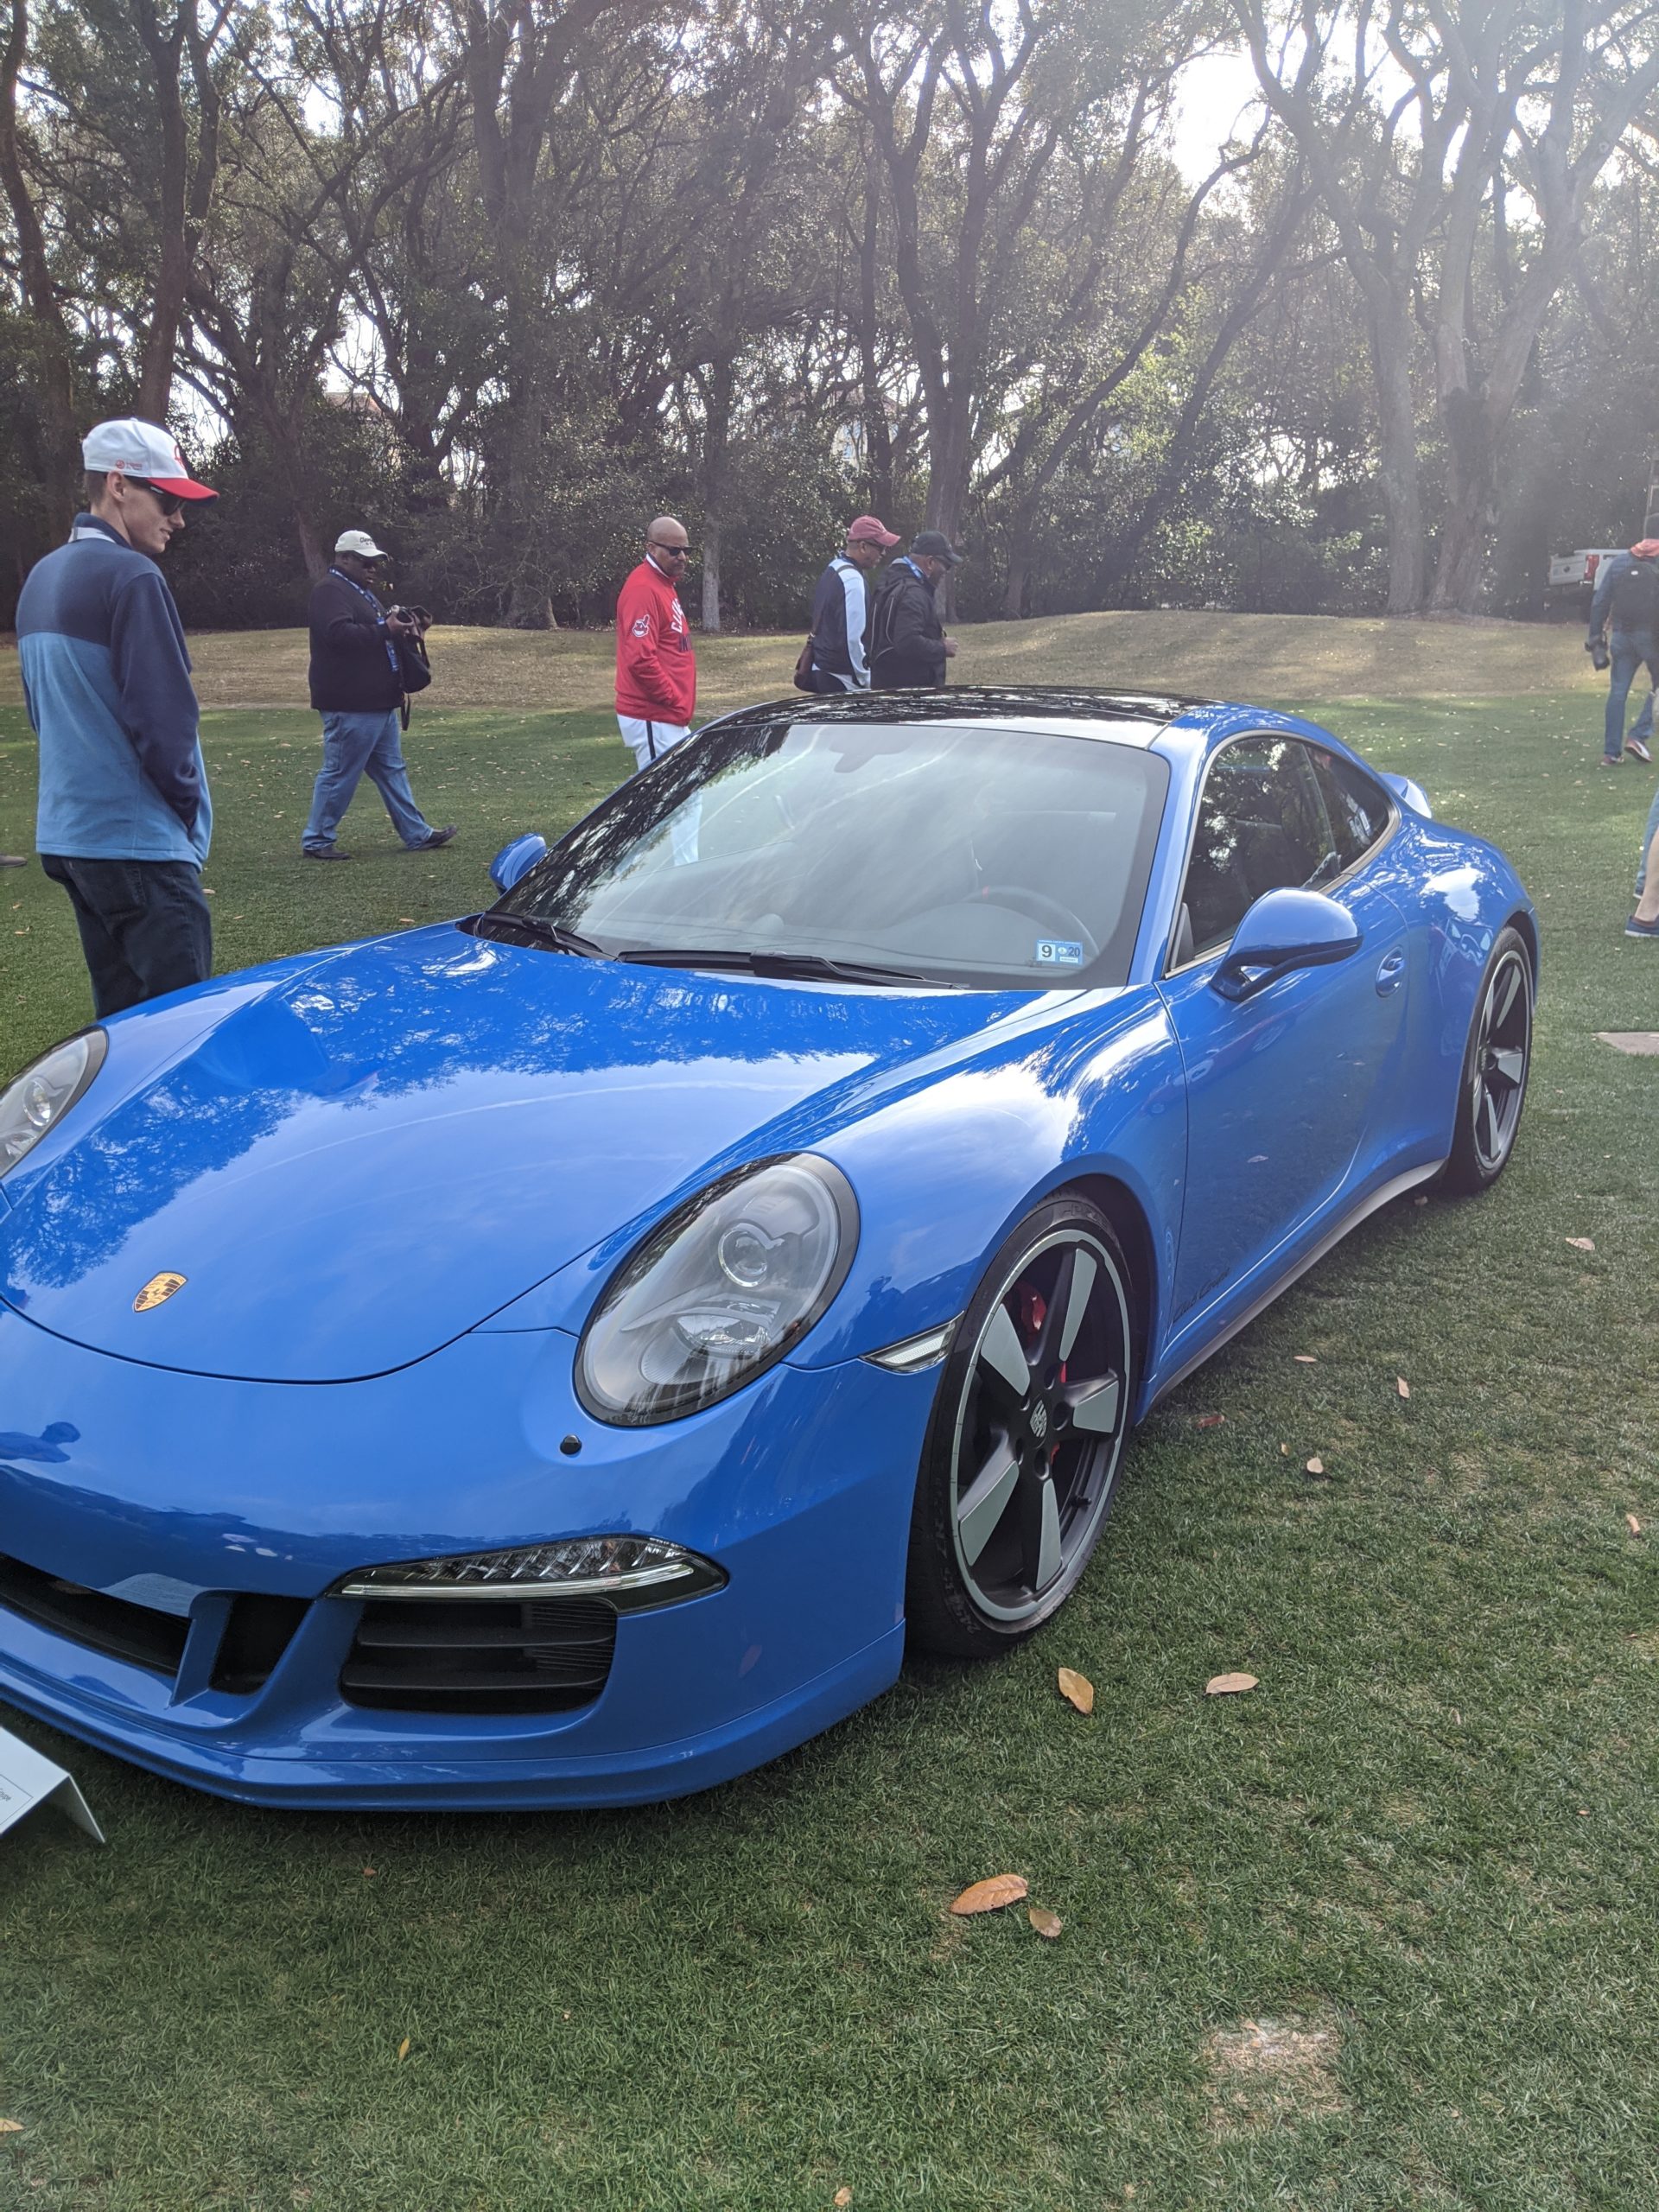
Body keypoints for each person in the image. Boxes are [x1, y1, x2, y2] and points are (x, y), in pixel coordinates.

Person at [16, 416, 217, 1015]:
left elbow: (39, 713)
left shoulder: (41, 578)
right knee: (180, 1039)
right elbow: (164, 724)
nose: (178, 518)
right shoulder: (132, 576)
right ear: (119, 484)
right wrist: (186, 813)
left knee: (123, 1030)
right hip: (139, 846)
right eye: (168, 498)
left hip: (72, 840)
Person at [301, 530, 453, 860]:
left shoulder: (361, 592)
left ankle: (417, 833)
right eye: (365, 562)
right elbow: (337, 635)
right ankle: (316, 840)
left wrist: (409, 630)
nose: (373, 569)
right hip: (351, 702)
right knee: (340, 772)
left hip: (377, 701)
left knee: (391, 769)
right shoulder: (330, 591)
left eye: (376, 563)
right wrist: (386, 629)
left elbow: (379, 636)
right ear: (343, 558)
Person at [614, 515, 696, 771]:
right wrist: (672, 698)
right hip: (653, 714)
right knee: (666, 802)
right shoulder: (643, 589)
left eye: (686, 550)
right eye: (674, 550)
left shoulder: (663, 584)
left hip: (667, 716)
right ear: (651, 548)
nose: (682, 556)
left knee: (687, 796)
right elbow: (640, 659)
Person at [1586, 518, 1659, 767]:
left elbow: (1600, 602)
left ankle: (1611, 753)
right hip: (1653, 638)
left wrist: (1595, 638)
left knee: (1618, 692)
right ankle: (1639, 735)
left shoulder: (1621, 562)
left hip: (1622, 636)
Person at [805, 515, 900, 690]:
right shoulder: (852, 580)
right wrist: (866, 679)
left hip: (823, 670)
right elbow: (853, 640)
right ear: (863, 546)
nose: (883, 553)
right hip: (842, 679)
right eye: (880, 547)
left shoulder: (834, 567)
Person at [869, 530, 962, 690]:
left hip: (885, 683)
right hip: (911, 692)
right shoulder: (914, 594)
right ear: (930, 563)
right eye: (946, 565)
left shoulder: (890, 580)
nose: (946, 571)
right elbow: (907, 641)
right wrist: (942, 648)